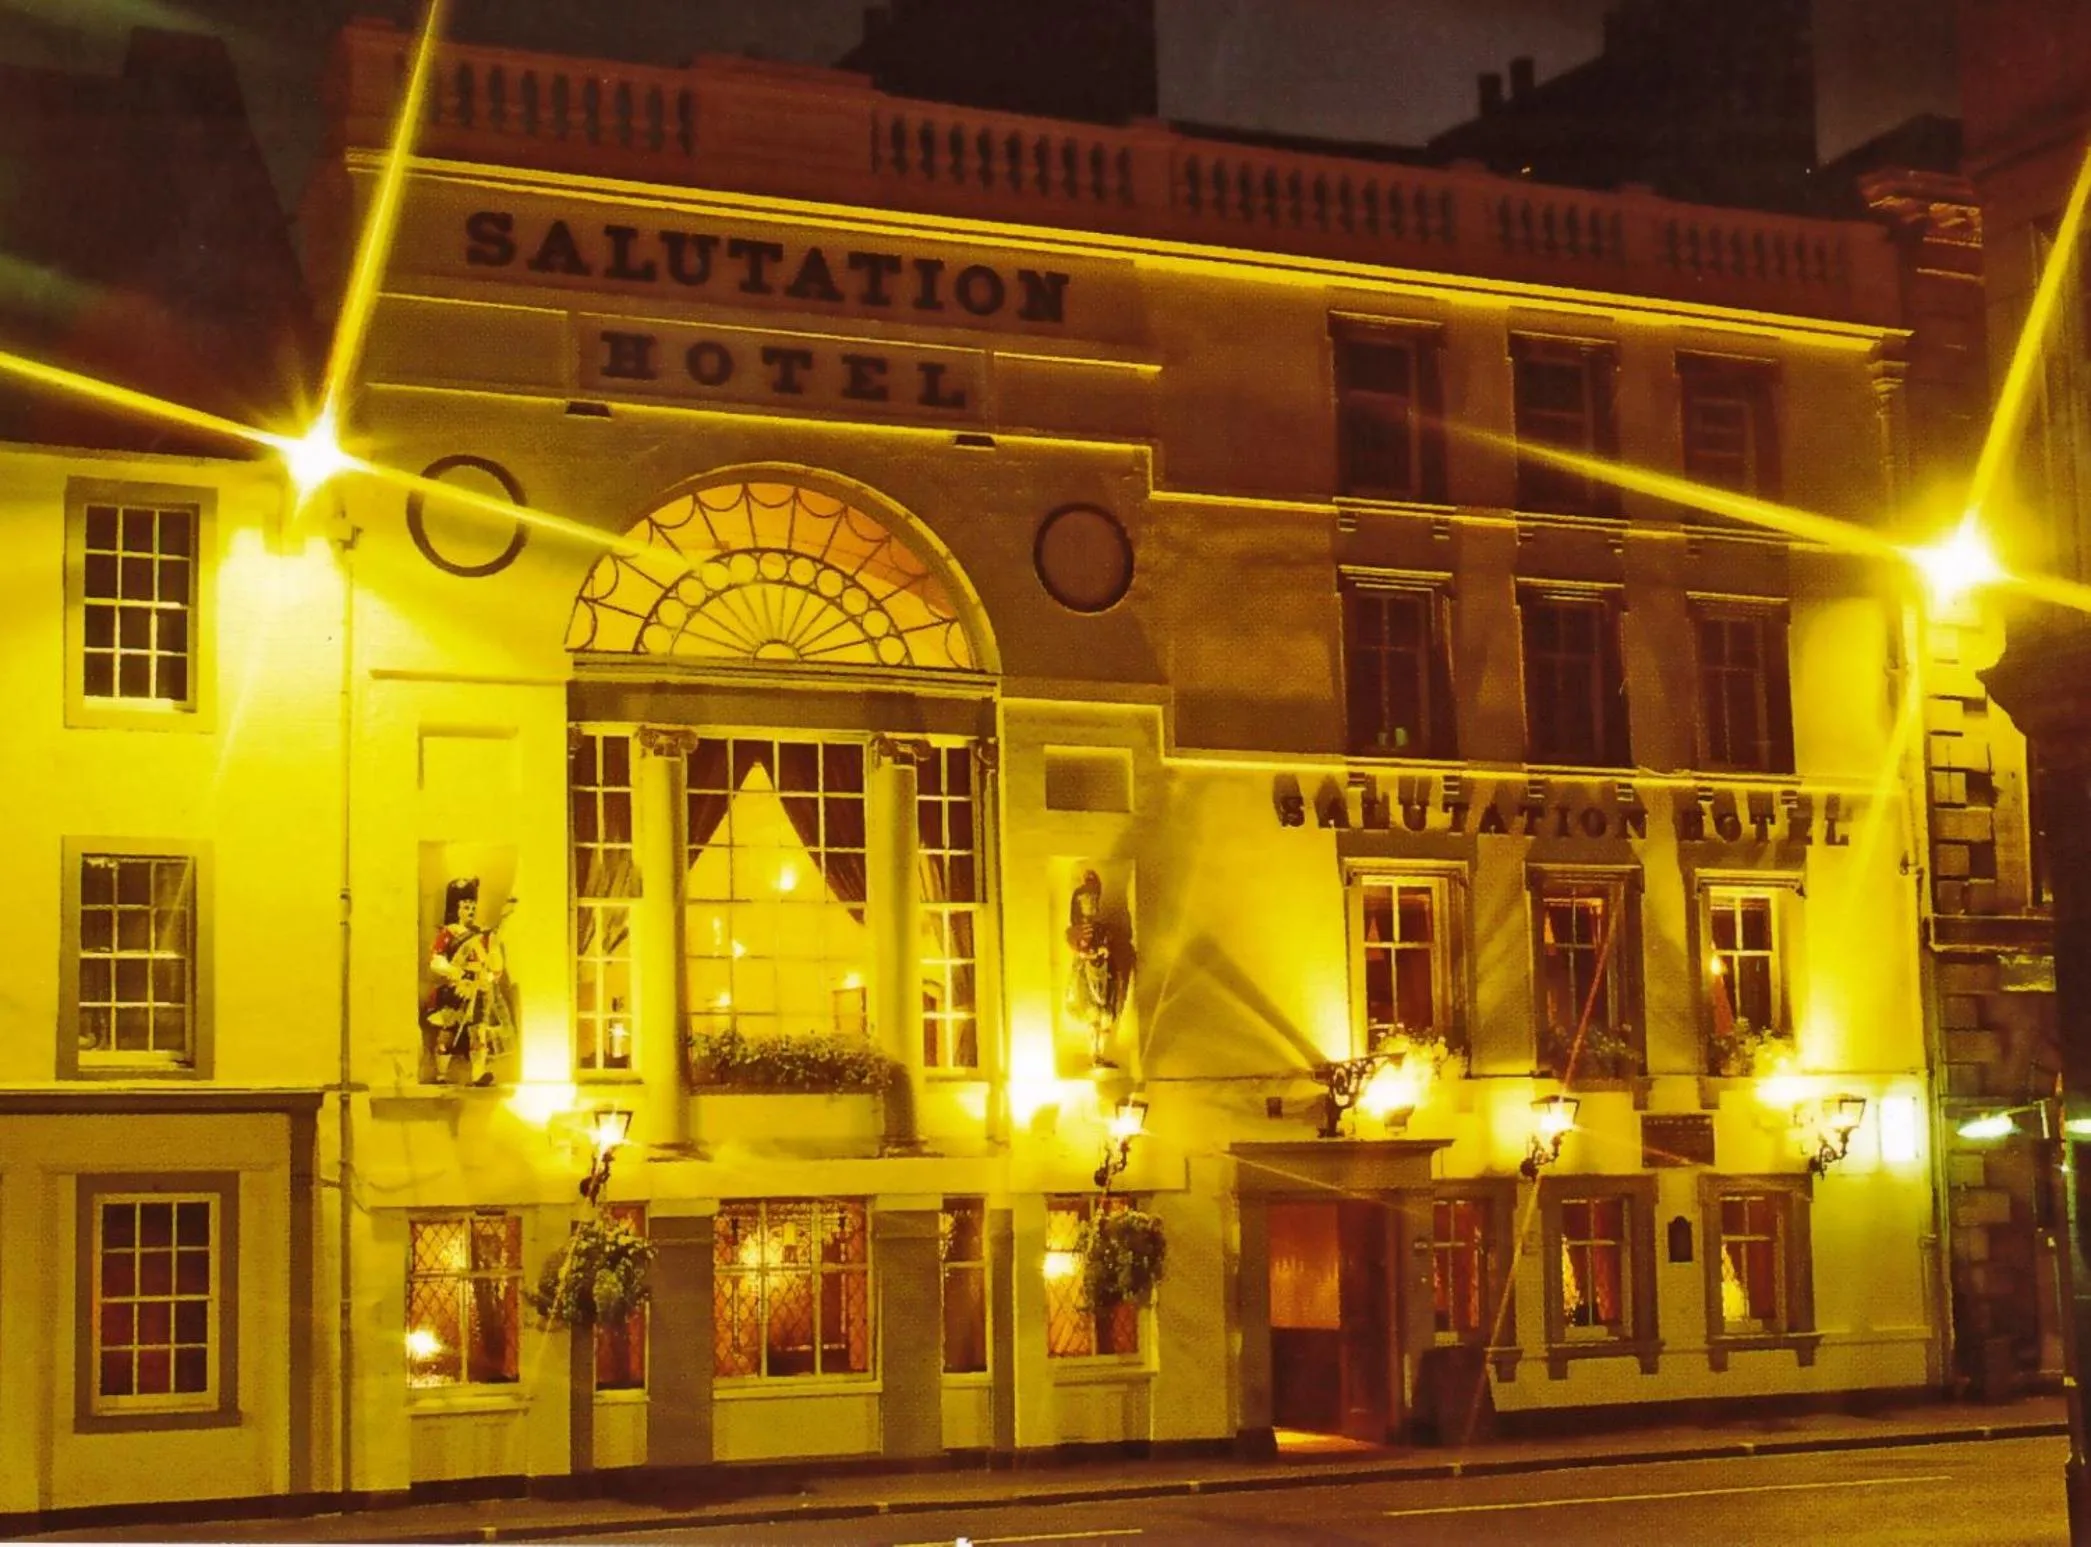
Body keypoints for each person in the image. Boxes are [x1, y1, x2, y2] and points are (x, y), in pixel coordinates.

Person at [421, 878, 515, 1086]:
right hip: (457, 987)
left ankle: (478, 1074)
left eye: (472, 906)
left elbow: (493, 960)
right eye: (465, 906)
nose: (470, 910)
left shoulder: (480, 934)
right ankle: (442, 1073)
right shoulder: (448, 933)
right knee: (448, 1030)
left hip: (478, 988)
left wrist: (489, 975)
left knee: (478, 1032)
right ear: (457, 908)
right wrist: (456, 972)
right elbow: (436, 960)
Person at [1064, 870, 1125, 1068]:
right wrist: (1090, 954)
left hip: (1103, 975)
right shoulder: (1074, 931)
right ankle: (1094, 1054)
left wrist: (1104, 950)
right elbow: (1077, 951)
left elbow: (1109, 945)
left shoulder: (1103, 929)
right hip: (1086, 976)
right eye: (1087, 901)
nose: (1092, 905)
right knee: (1092, 1014)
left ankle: (1102, 1052)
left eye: (1094, 900)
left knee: (1107, 1014)